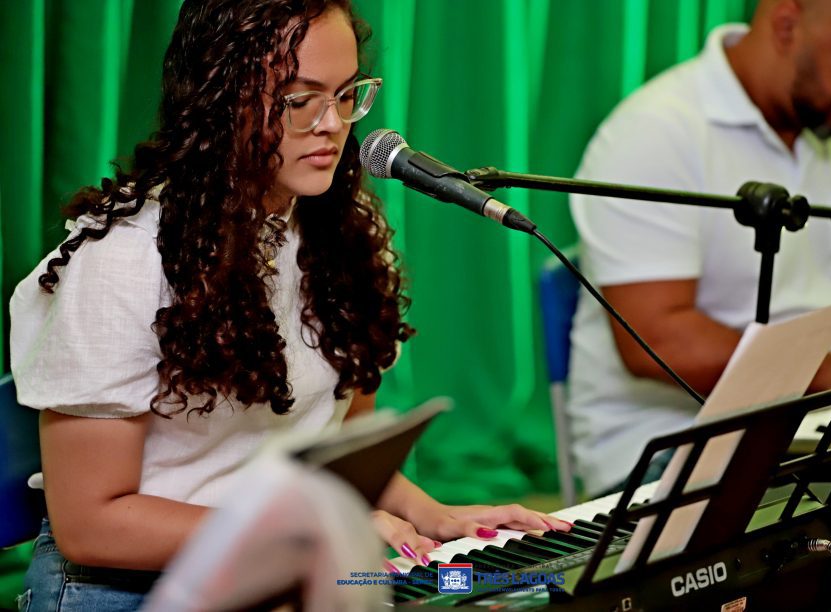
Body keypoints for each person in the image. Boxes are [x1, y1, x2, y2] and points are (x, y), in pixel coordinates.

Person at [9, 0, 570, 609]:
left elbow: (344, 455)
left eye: (348, 93)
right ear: (219, 103)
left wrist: (438, 519)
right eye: (300, 100)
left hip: (288, 566)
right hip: (131, 587)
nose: (333, 123)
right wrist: (301, 534)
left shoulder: (335, 235)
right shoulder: (125, 259)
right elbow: (93, 525)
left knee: (527, 592)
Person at [568, 0, 831, 497]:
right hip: (669, 447)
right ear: (785, 25)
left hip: (827, 426)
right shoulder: (654, 130)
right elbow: (659, 342)